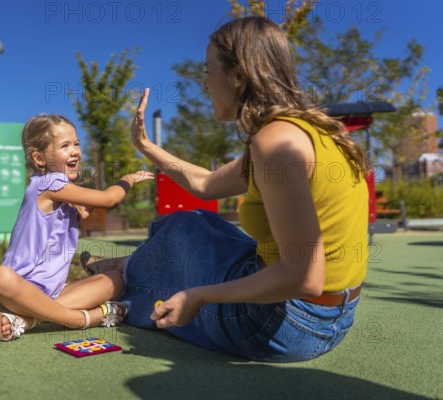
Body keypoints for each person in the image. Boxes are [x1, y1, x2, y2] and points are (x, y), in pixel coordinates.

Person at [114, 16, 369, 362]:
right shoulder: (303, 130)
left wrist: (200, 296)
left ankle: (121, 273)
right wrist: (145, 146)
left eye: (208, 71)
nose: (205, 85)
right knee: (193, 222)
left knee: (170, 249)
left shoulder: (275, 143)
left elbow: (304, 277)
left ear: (238, 76)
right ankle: (126, 266)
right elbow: (205, 184)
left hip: (286, 323)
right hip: (334, 315)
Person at [0, 114, 154, 341]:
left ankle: (27, 320)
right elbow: (108, 199)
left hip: (52, 293)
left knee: (116, 278)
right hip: (20, 290)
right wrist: (128, 180)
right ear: (39, 158)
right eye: (65, 146)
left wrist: (83, 212)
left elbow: (79, 215)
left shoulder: (61, 191)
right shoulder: (48, 184)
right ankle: (81, 319)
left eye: (76, 143)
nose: (75, 151)